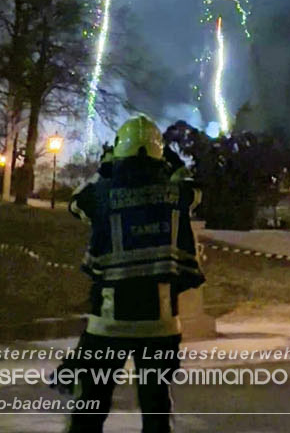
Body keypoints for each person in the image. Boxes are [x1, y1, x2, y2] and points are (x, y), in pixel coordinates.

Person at [65, 115, 204, 431]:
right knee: (156, 409)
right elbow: (195, 192)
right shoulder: (176, 194)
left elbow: (76, 203)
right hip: (160, 322)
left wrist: (104, 168)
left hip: (108, 323)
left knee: (91, 406)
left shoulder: (102, 193)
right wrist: (174, 162)